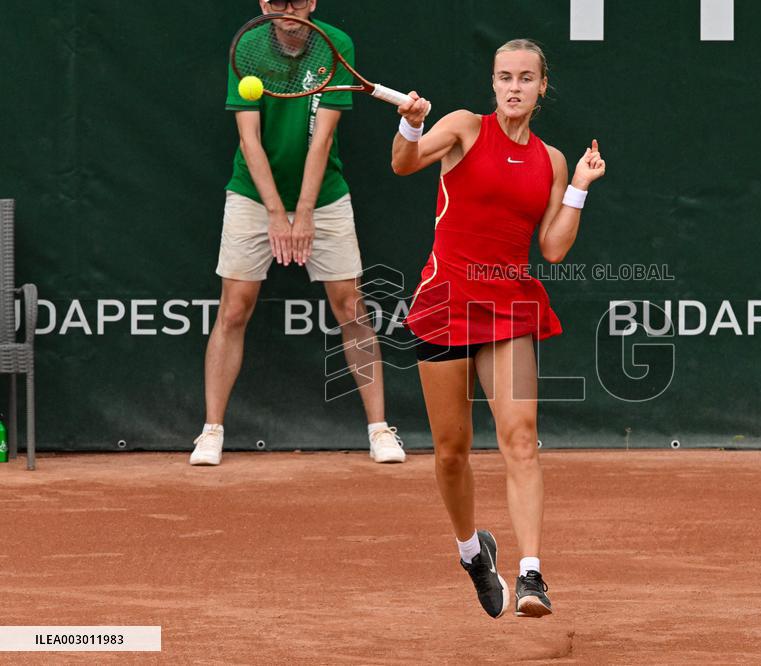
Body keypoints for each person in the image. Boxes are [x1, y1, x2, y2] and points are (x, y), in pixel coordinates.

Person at [390, 39, 606, 618]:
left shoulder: (552, 160)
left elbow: (554, 248)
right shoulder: (462, 127)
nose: (515, 87)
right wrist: (412, 126)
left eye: (526, 78)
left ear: (542, 87)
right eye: (505, 77)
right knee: (451, 451)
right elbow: (404, 163)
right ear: (493, 83)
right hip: (445, 299)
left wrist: (581, 185)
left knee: (520, 437)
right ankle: (470, 552)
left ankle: (532, 574)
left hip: (508, 305)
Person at [189, 0, 405, 466]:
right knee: (234, 308)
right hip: (251, 193)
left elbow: (323, 138)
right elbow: (248, 139)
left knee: (351, 306)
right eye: (276, 0)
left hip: (324, 195)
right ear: (263, 4)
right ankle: (210, 431)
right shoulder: (247, 46)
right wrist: (274, 211)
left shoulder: (334, 44)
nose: (287, 10)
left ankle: (379, 430)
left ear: (311, 2)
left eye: (296, 0)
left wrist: (303, 211)